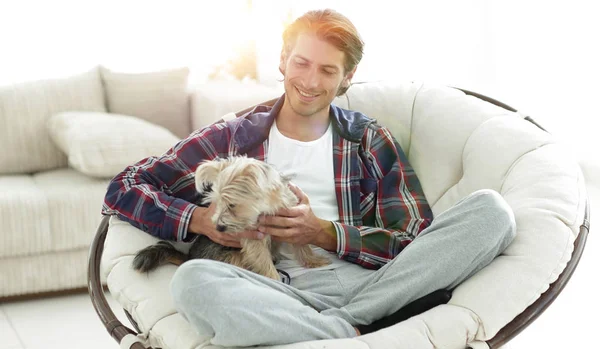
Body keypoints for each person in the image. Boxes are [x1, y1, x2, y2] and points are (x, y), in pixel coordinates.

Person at [102, 8, 516, 347]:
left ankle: (340, 324)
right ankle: (356, 332)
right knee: (192, 281)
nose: (310, 82)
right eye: (301, 63)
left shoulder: (368, 140)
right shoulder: (232, 137)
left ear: (347, 78)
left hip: (372, 284)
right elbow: (124, 187)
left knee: (492, 212)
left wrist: (324, 233)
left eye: (327, 70)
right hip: (272, 292)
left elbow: (415, 241)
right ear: (283, 60)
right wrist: (200, 220)